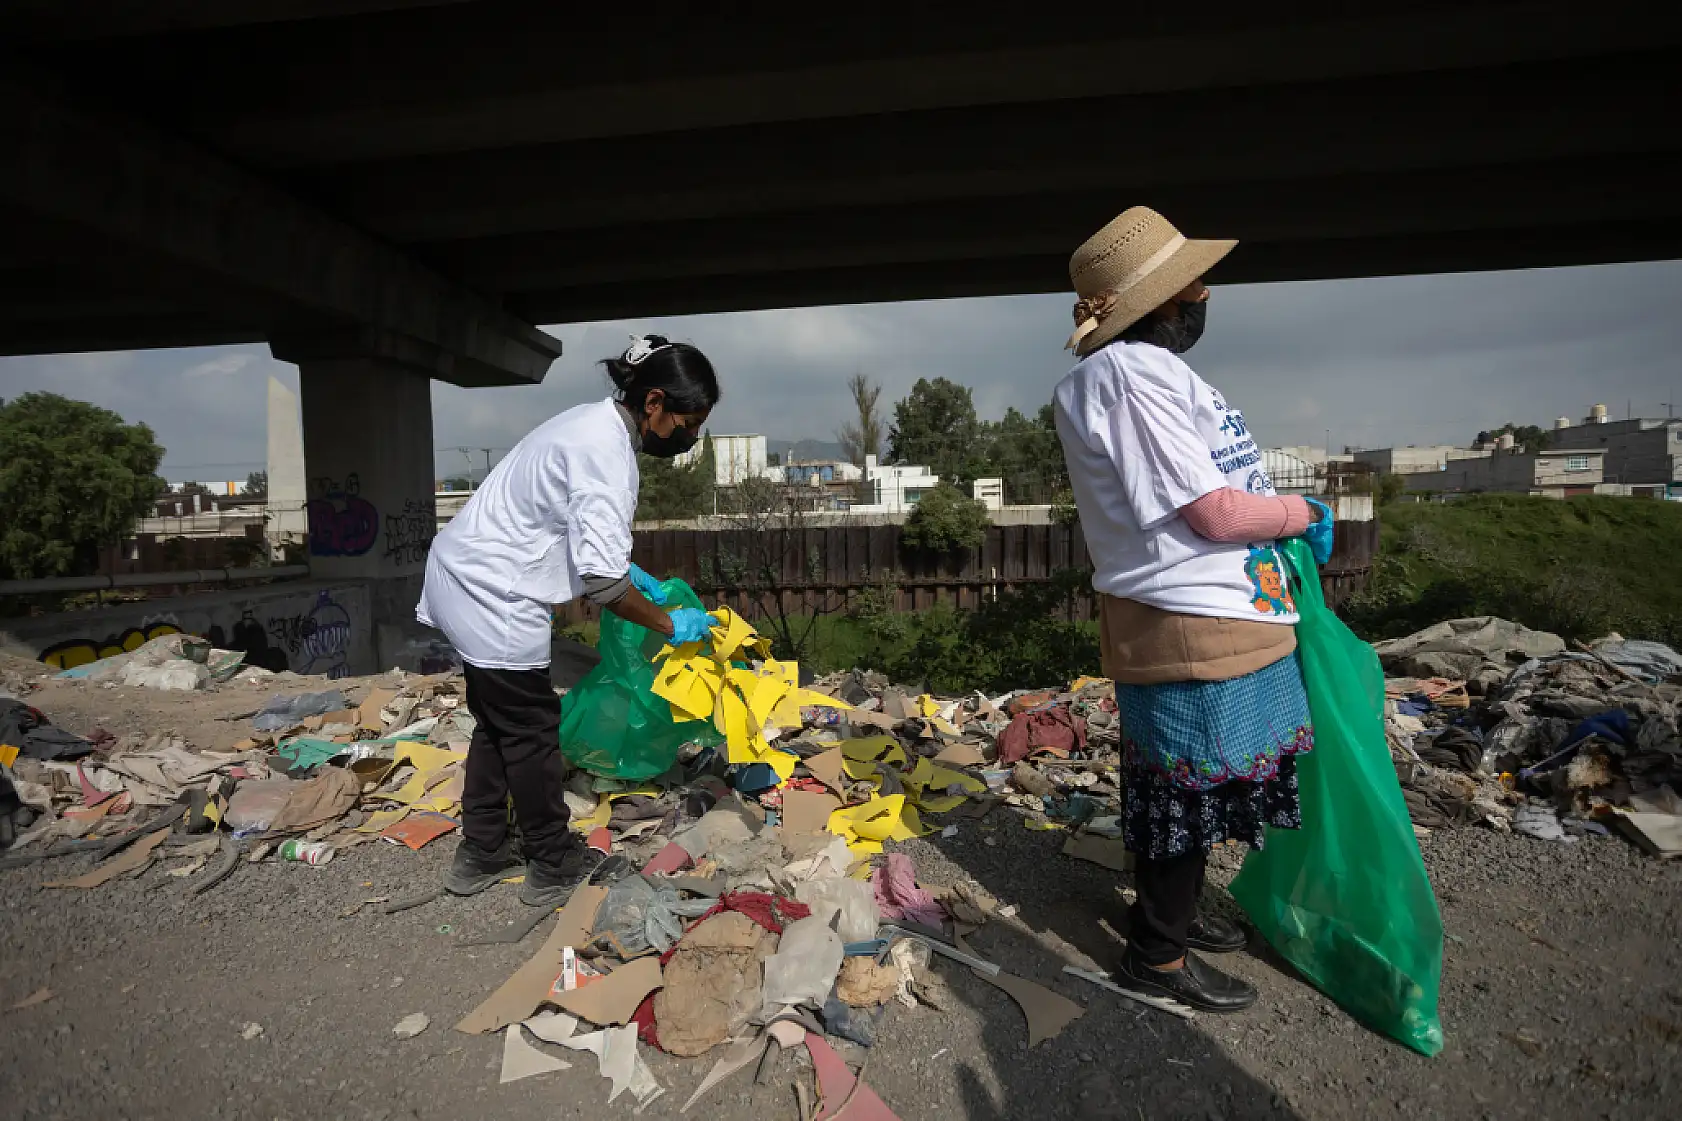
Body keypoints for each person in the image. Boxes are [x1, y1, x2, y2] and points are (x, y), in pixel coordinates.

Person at [1052, 206, 1333, 1012]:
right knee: (1186, 788)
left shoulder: (1139, 373)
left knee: (1182, 786)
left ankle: (1165, 920)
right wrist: (1303, 515)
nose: (1207, 295)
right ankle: (1157, 956)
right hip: (1191, 618)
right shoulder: (1131, 376)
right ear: (1165, 303)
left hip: (1214, 613)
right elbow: (1211, 513)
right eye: (1194, 284)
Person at [417, 335, 720, 907]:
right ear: (654, 403)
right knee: (531, 727)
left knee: (497, 719)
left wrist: (632, 572)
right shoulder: (606, 454)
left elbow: (564, 522)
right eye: (689, 420)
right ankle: (553, 861)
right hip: (493, 591)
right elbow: (605, 586)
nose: (691, 436)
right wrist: (668, 622)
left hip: (464, 571)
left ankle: (480, 852)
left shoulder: (589, 423)